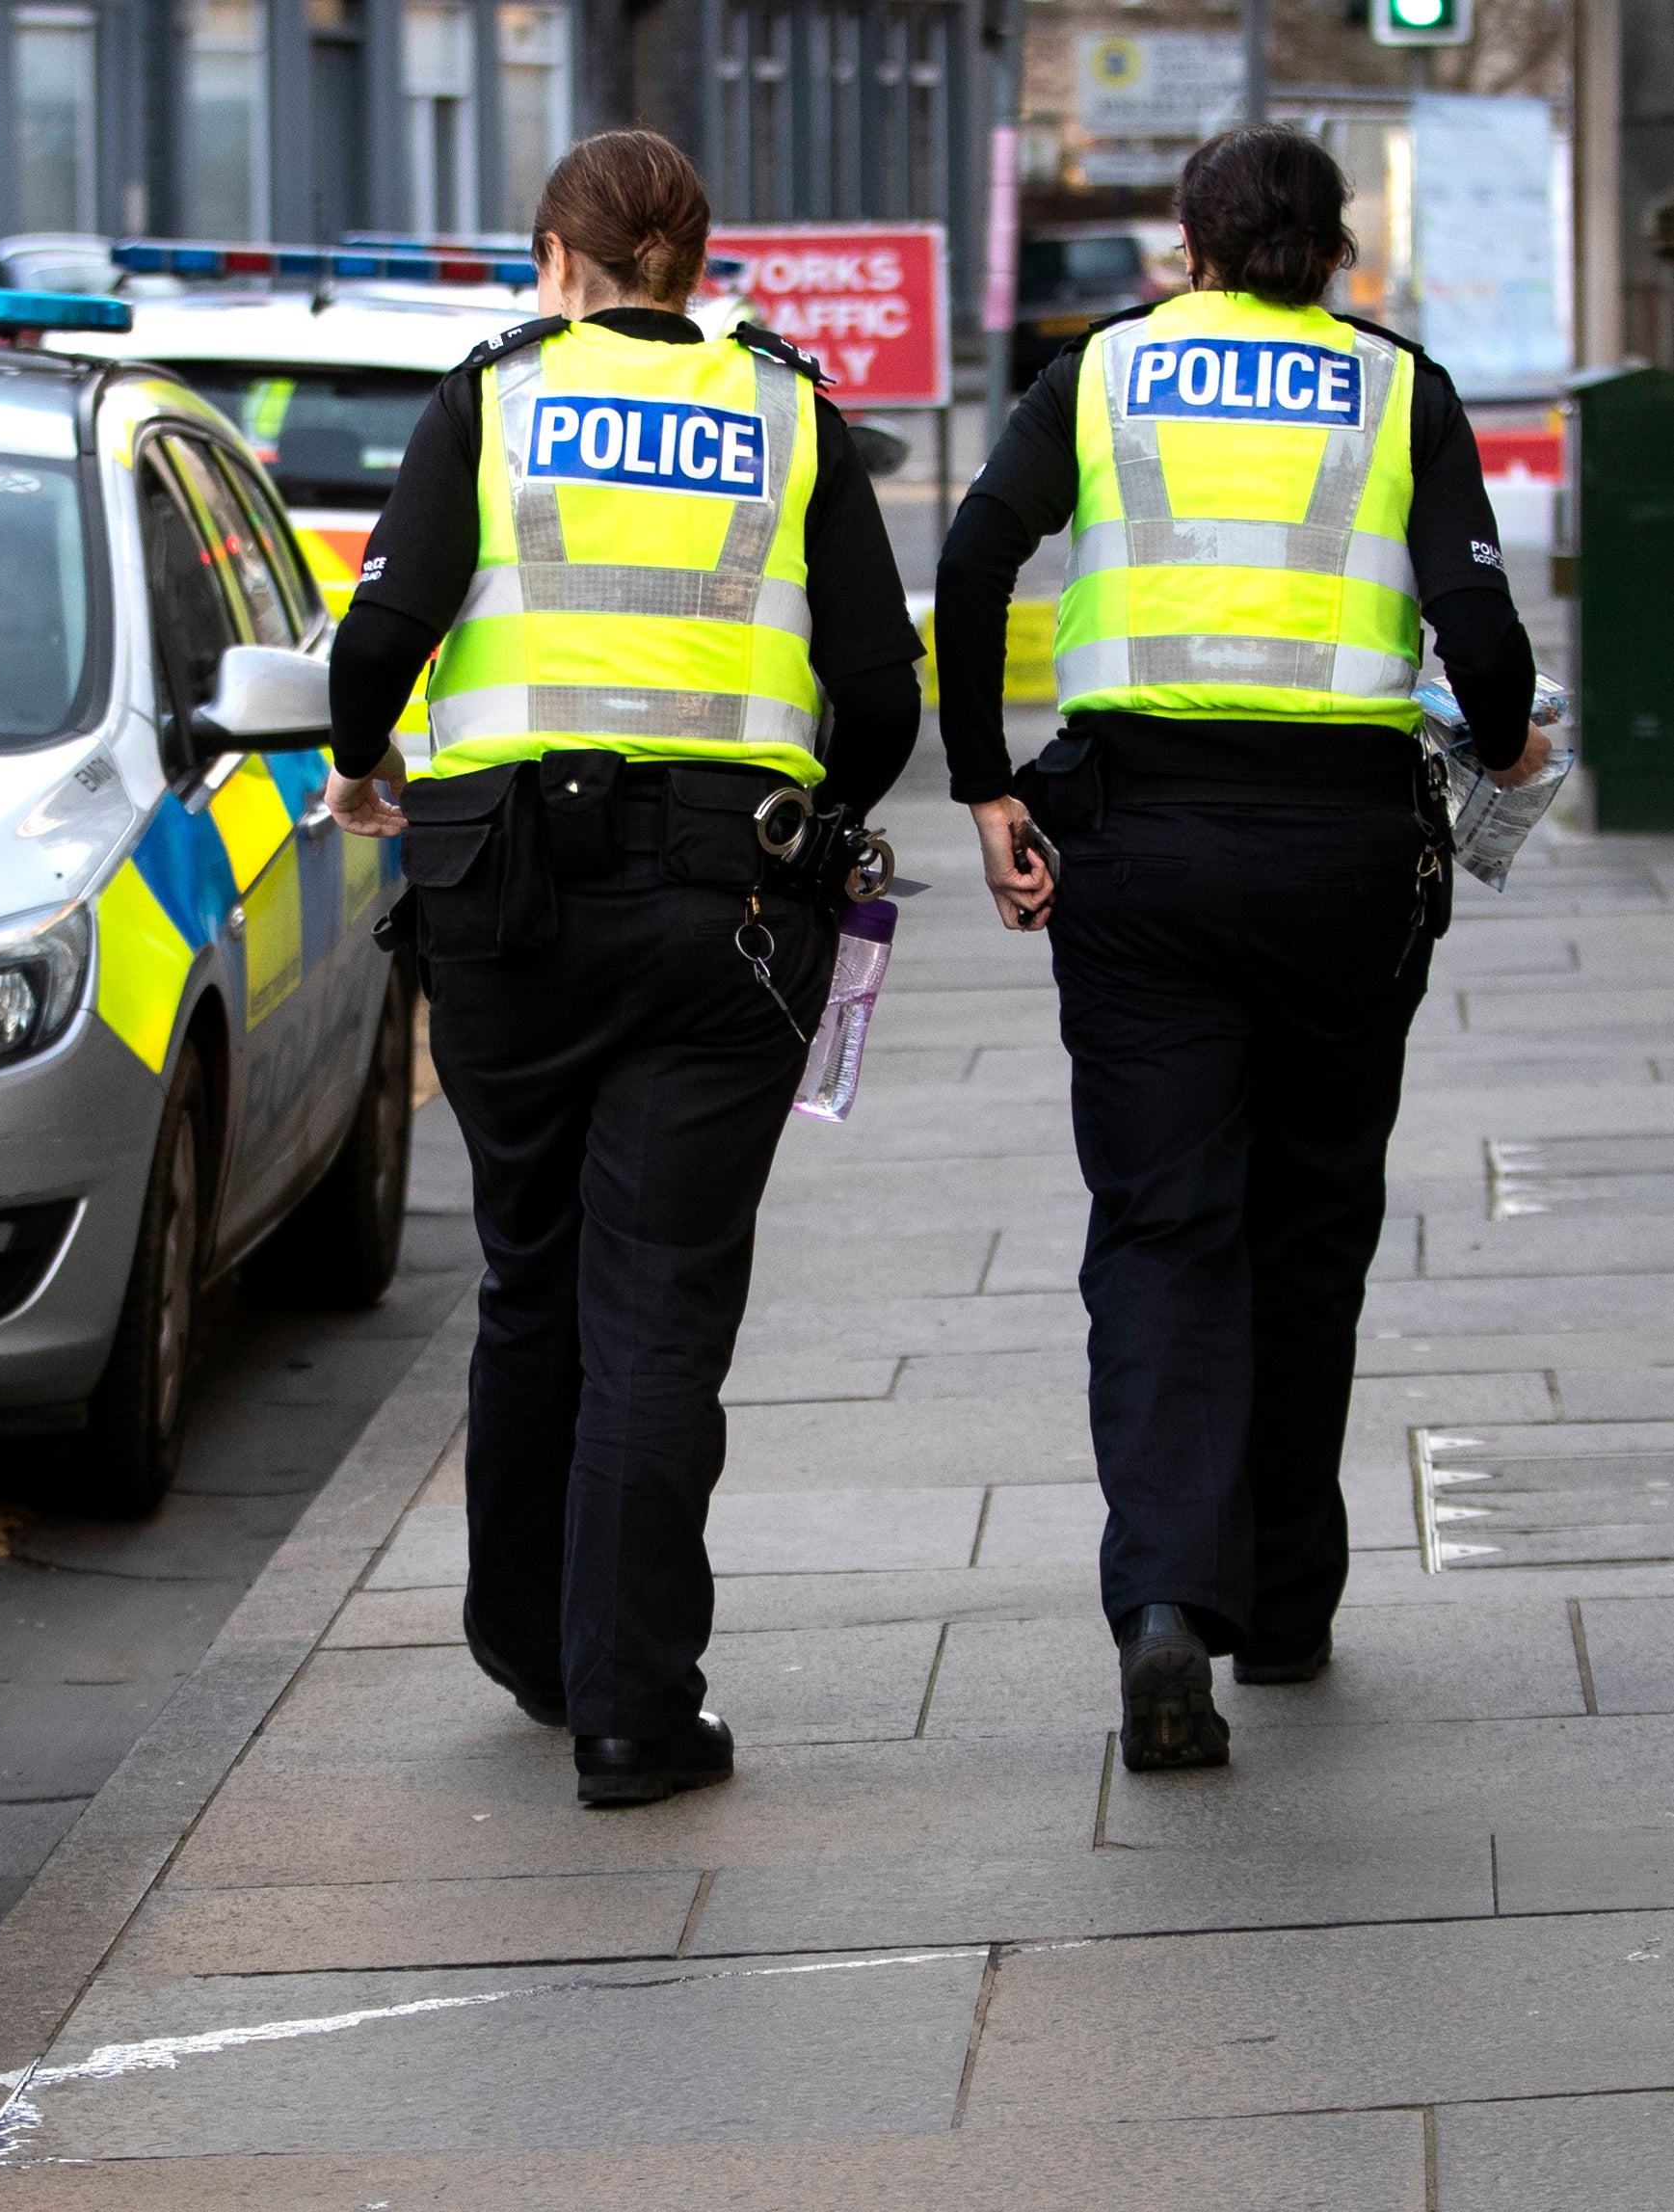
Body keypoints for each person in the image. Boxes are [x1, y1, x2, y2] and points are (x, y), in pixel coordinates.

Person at [935, 125, 1550, 1772]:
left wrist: (983, 783)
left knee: (1157, 1230)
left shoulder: (1100, 376)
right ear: (1334, 247)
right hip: (1341, 855)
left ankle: (1162, 1606)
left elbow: (973, 555)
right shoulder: (1394, 387)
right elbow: (1479, 631)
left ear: (1189, 247)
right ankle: (1282, 1603)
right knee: (1309, 1216)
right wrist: (1498, 746)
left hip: (1133, 848)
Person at [323, 130, 922, 1807]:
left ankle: (526, 1637)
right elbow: (880, 692)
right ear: (694, 263)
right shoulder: (788, 409)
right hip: (720, 906)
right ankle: (630, 1706)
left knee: (529, 1269)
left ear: (558, 259)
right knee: (656, 1301)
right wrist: (813, 817)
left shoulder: (492, 394)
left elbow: (381, 633)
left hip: (501, 905)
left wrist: (367, 769)